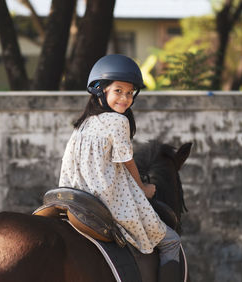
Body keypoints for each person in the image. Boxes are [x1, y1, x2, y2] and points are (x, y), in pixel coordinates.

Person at [59, 54, 182, 282]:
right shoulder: (119, 121)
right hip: (107, 199)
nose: (125, 99)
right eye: (118, 91)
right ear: (100, 90)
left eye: (129, 93)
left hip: (75, 195)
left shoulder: (83, 124)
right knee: (171, 240)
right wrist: (144, 189)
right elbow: (127, 162)